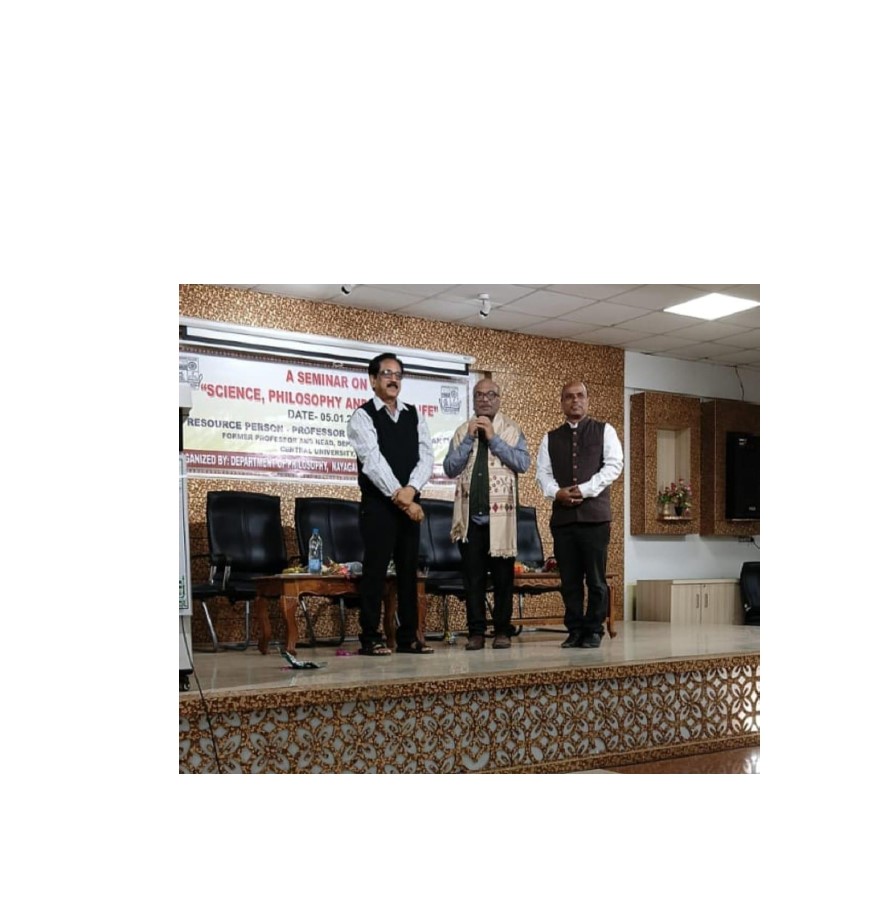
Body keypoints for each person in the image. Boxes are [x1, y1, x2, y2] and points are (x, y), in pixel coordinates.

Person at [346, 352, 435, 655]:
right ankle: (370, 638)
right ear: (373, 380)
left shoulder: (414, 414)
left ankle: (408, 638)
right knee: (376, 572)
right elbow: (373, 462)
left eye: (397, 375)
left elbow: (427, 457)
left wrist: (411, 489)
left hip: (409, 503)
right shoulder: (362, 416)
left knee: (409, 572)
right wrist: (402, 497)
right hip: (378, 507)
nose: (393, 379)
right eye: (386, 374)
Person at [444, 379, 530, 650]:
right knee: (473, 582)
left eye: (490, 394)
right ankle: (476, 633)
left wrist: (493, 438)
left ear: (499, 399)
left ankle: (502, 631)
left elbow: (522, 463)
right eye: (479, 395)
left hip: (501, 523)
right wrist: (470, 438)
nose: (484, 399)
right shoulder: (462, 431)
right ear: (473, 400)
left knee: (504, 581)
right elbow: (450, 468)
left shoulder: (512, 430)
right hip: (470, 522)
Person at [536, 380, 623, 649]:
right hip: (563, 521)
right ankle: (574, 630)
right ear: (562, 402)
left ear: (587, 400)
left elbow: (614, 466)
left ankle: (594, 629)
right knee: (570, 581)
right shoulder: (550, 437)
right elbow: (542, 474)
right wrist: (557, 492)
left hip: (595, 519)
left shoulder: (604, 430)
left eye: (580, 396)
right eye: (569, 397)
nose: (575, 400)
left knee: (596, 580)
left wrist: (584, 490)